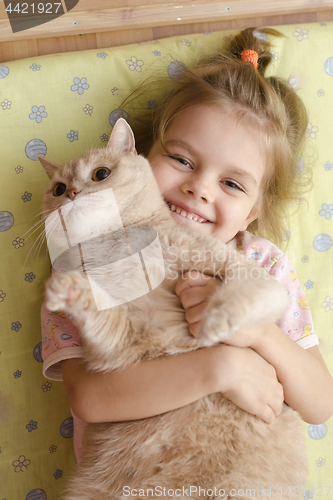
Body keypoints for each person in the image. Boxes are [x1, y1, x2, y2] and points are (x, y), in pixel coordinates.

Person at [41, 27, 333, 463]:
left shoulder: (260, 262)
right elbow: (90, 397)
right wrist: (221, 369)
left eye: (232, 183)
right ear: (139, 158)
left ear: (254, 210)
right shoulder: (85, 262)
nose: (198, 188)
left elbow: (320, 403)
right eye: (181, 160)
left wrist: (257, 333)